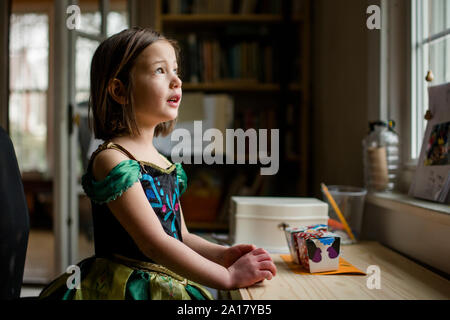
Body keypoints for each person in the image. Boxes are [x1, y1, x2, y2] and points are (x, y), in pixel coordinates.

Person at [39, 27, 276, 300]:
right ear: (119, 89)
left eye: (176, 70)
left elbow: (181, 236)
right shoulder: (113, 159)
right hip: (126, 290)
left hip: (167, 282)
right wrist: (228, 277)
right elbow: (154, 244)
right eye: (160, 71)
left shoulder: (162, 161)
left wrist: (222, 255)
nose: (177, 81)